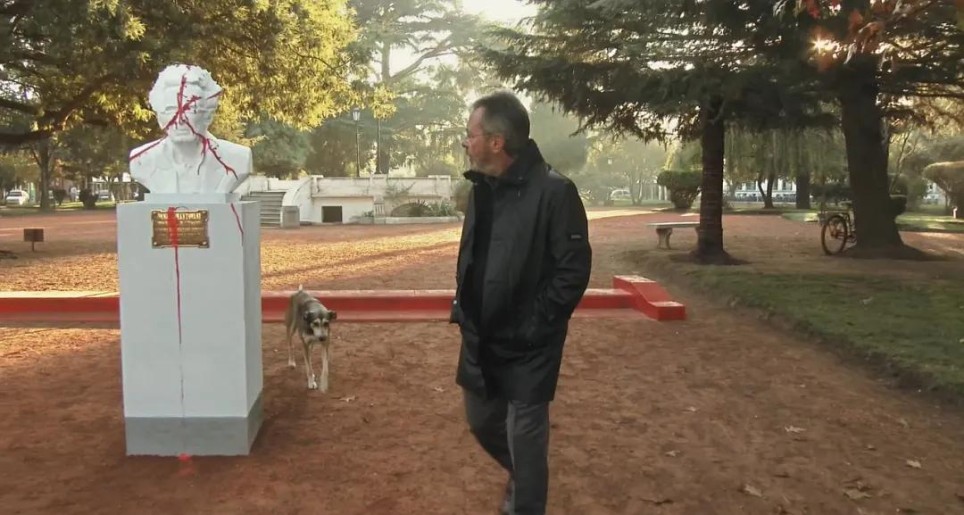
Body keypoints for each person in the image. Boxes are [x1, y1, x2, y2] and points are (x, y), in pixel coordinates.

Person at [449, 90, 592, 515]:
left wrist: (535, 326)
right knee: (481, 422)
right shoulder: (481, 190)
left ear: (496, 142)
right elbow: (473, 257)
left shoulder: (556, 192)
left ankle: (525, 498)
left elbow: (572, 272)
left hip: (531, 345)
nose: (466, 142)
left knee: (525, 439)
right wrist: (464, 309)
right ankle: (526, 477)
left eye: (471, 134)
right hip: (481, 335)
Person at [129, 64, 251, 195]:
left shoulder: (239, 158)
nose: (180, 120)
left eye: (190, 109)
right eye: (171, 109)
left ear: (207, 116)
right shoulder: (141, 159)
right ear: (160, 118)